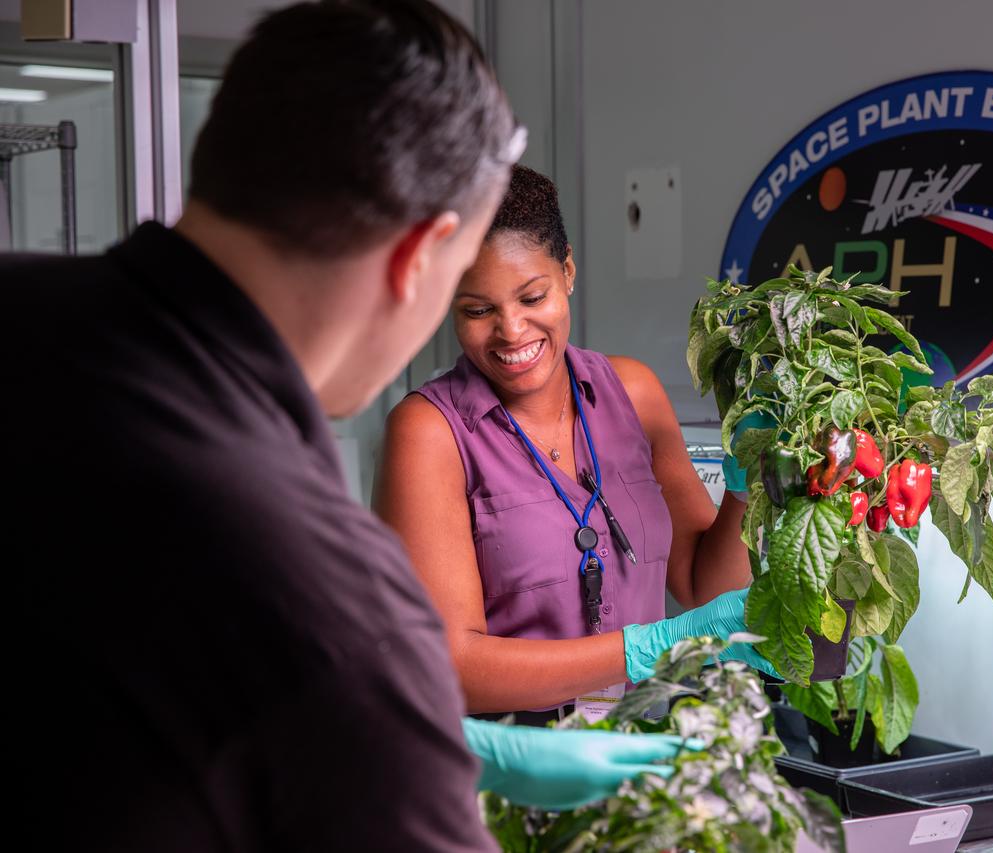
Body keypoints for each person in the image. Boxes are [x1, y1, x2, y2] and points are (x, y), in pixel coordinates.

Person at [7, 2, 698, 850]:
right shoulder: (301, 563)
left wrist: (441, 740)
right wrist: (404, 743)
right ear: (418, 262)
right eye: (470, 298)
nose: (509, 332)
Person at [374, 165, 772, 722]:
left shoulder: (632, 393)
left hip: (645, 753)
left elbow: (706, 592)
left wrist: (747, 488)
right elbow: (447, 666)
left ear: (567, 272)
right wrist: (645, 648)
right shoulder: (429, 432)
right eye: (477, 310)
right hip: (513, 771)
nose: (512, 331)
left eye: (531, 296)